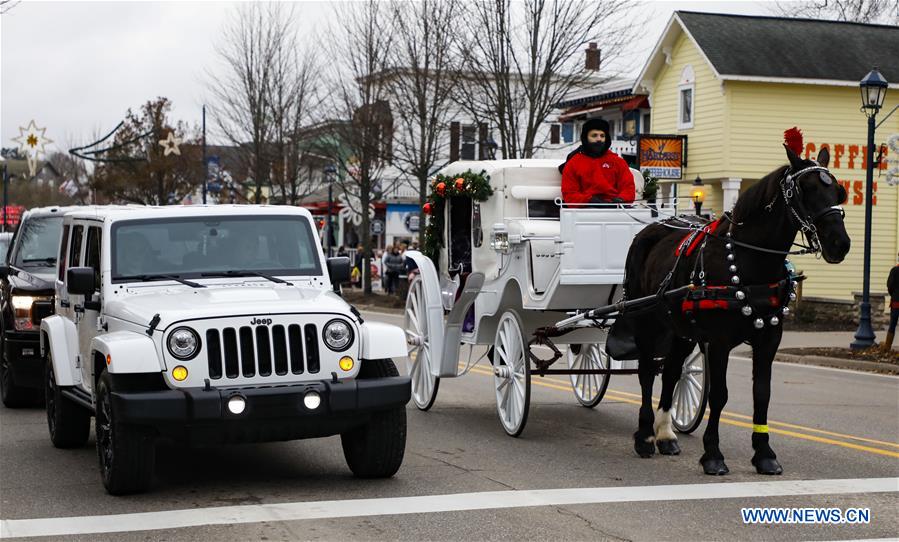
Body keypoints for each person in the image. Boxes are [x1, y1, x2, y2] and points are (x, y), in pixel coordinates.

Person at [559, 118, 635, 205]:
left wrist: (621, 199)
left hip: (615, 209)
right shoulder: (573, 163)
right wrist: (589, 200)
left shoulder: (618, 162)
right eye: (594, 135)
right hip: (585, 211)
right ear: (585, 138)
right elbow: (570, 194)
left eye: (602, 136)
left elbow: (628, 188)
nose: (599, 139)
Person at [883, 254, 899, 351]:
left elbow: (890, 285)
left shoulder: (894, 271)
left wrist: (893, 294)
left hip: (896, 302)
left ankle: (887, 346)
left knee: (892, 324)